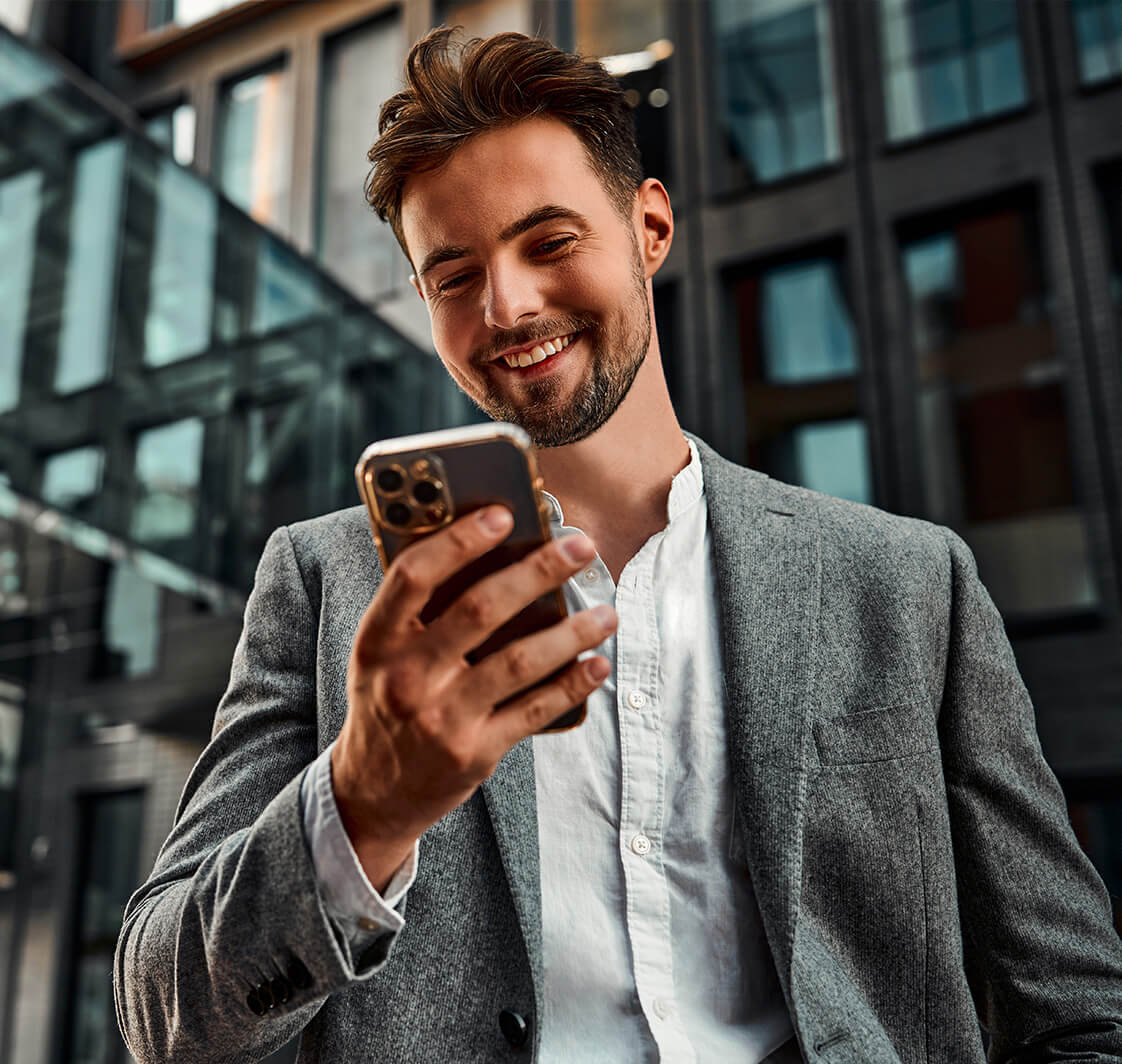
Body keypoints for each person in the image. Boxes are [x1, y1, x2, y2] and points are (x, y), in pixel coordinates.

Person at [114, 28, 1122, 1064]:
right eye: (454, 275)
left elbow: (1079, 1012)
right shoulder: (327, 583)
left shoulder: (908, 584)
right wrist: (363, 808)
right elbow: (163, 1019)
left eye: (548, 243)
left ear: (650, 226)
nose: (506, 306)